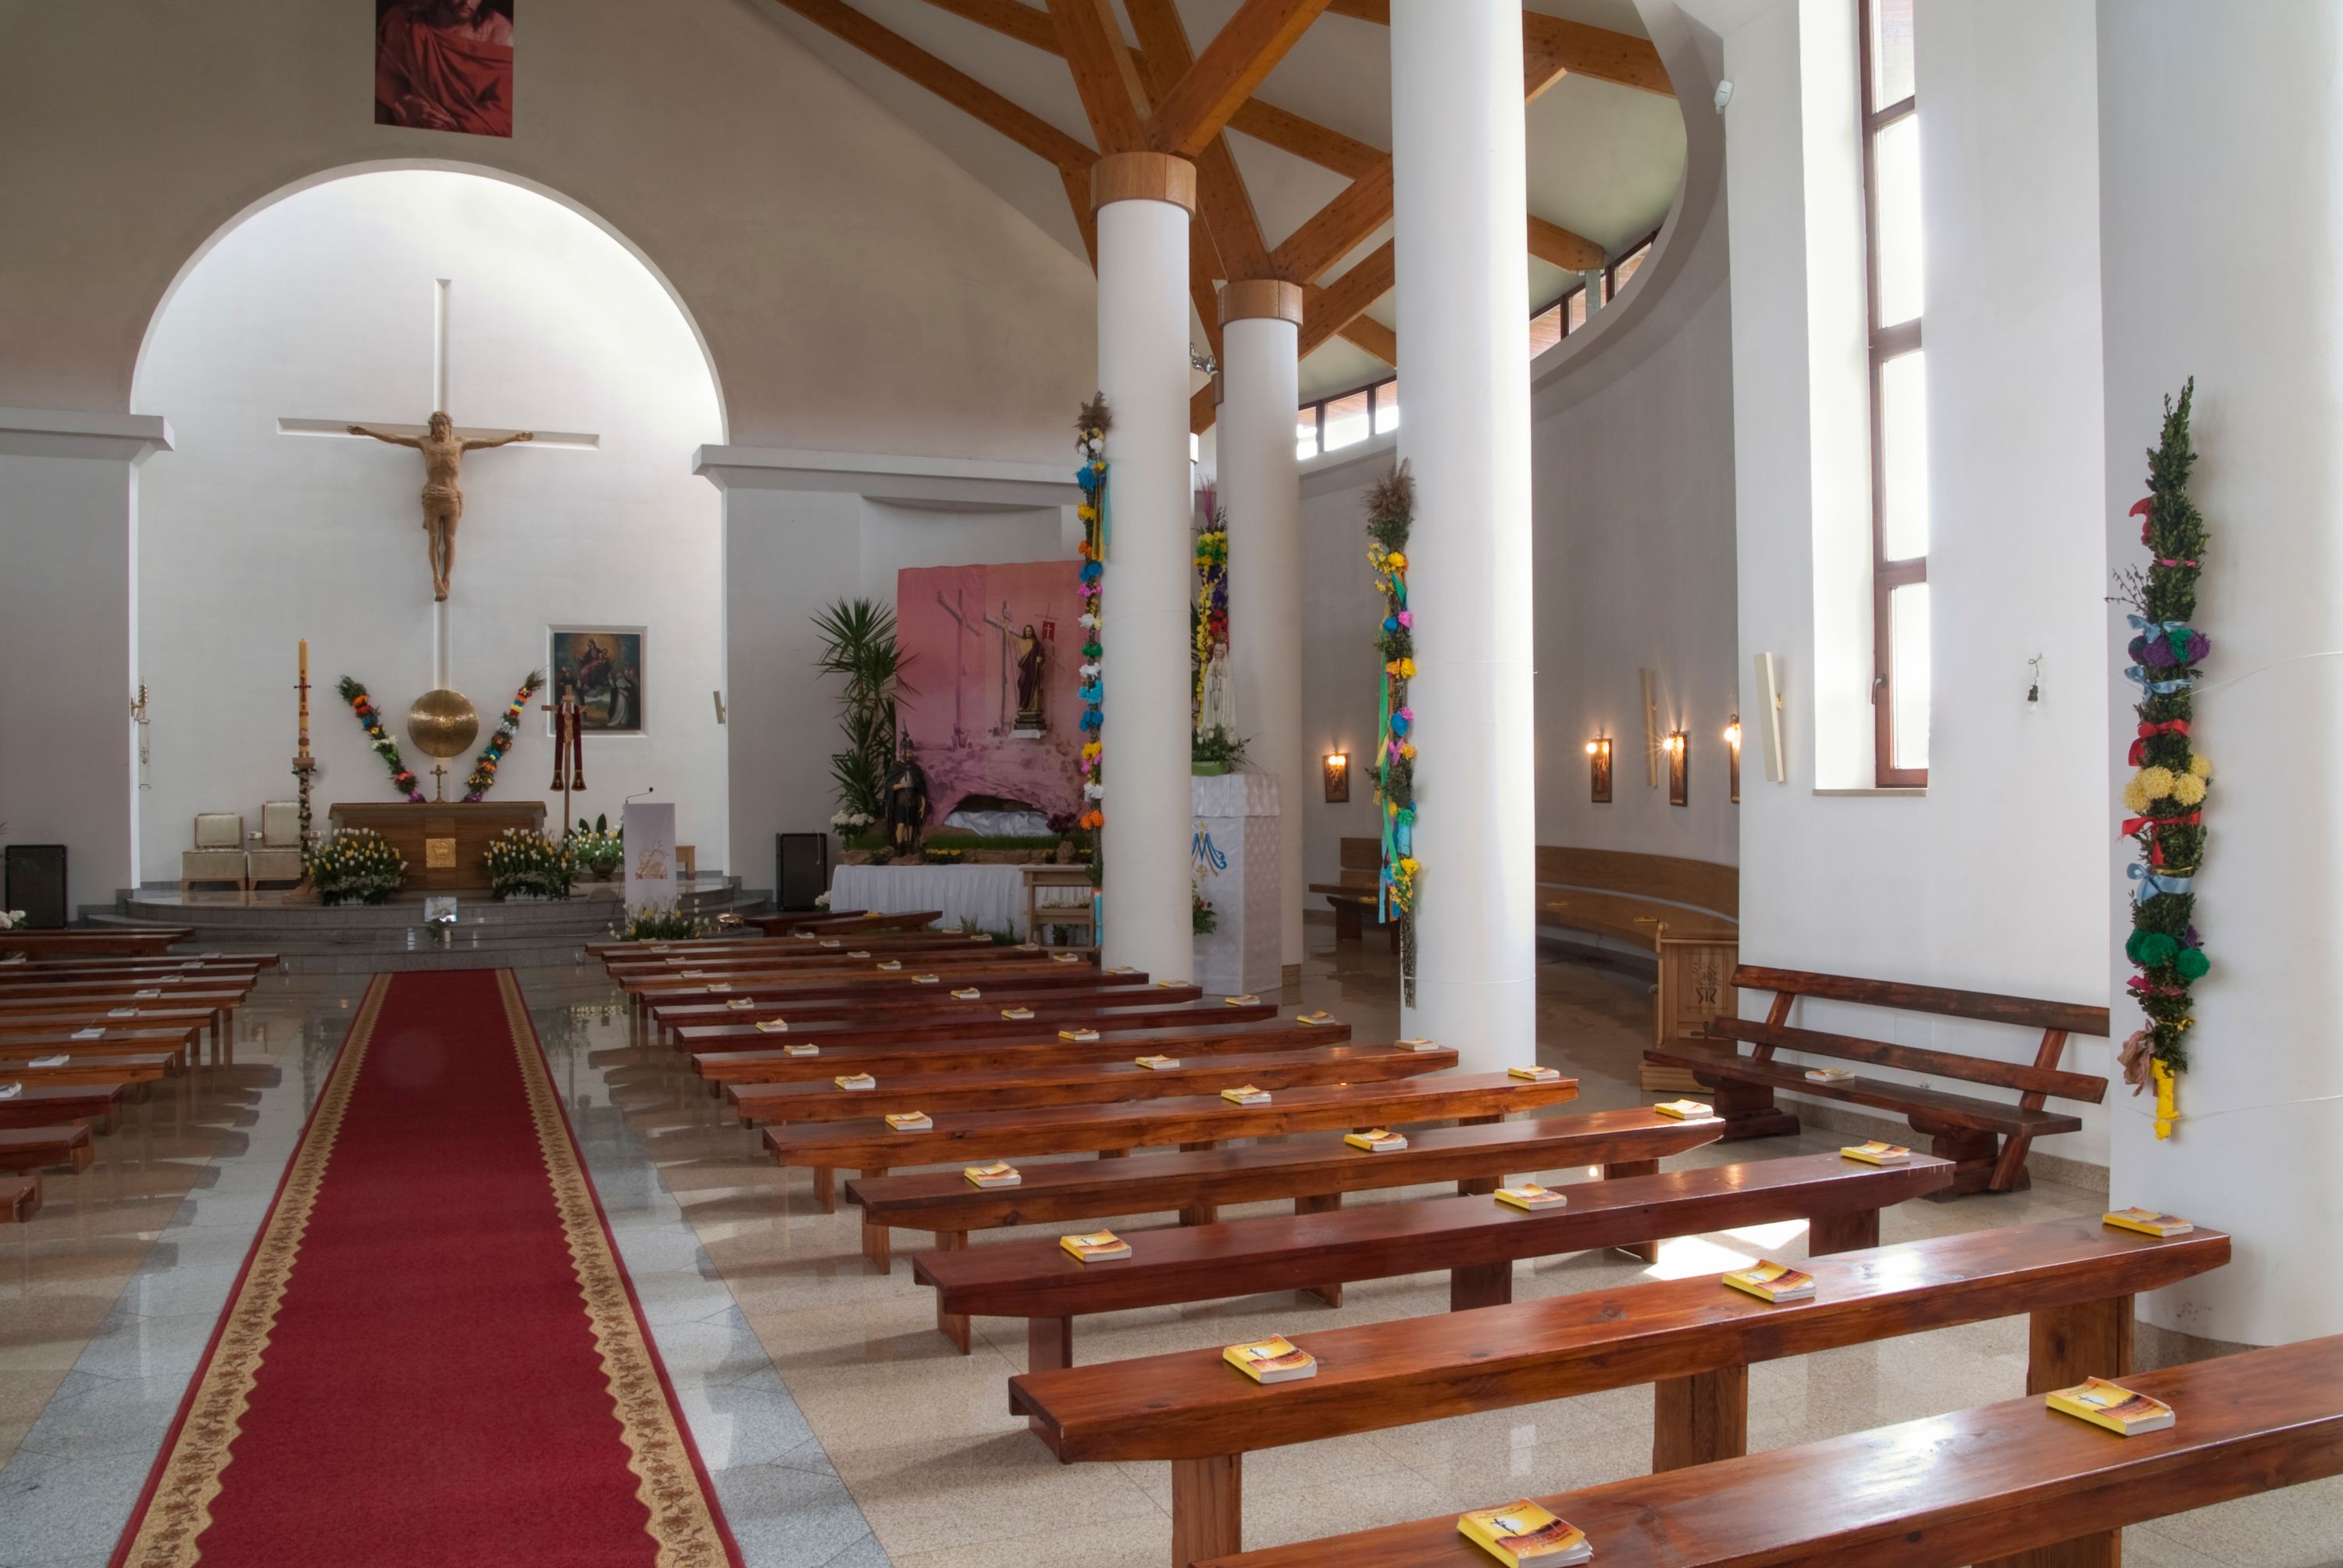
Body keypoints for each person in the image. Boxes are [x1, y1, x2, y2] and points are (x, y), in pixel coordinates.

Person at [347, 412, 532, 600]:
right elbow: (394, 439)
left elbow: (490, 442)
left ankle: (447, 579)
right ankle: (436, 579)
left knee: (450, 539)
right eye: (437, 425)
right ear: (432, 428)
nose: (440, 429)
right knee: (434, 538)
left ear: (450, 427)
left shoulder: (460, 444)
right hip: (432, 496)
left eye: (443, 425)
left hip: (451, 497)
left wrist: (514, 438)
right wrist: (368, 432)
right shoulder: (424, 443)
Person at [374, 0, 515, 138]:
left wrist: (455, 126)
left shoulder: (502, 35)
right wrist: (408, 102)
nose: (467, 2)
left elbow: (507, 111)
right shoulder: (409, 22)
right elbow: (385, 76)